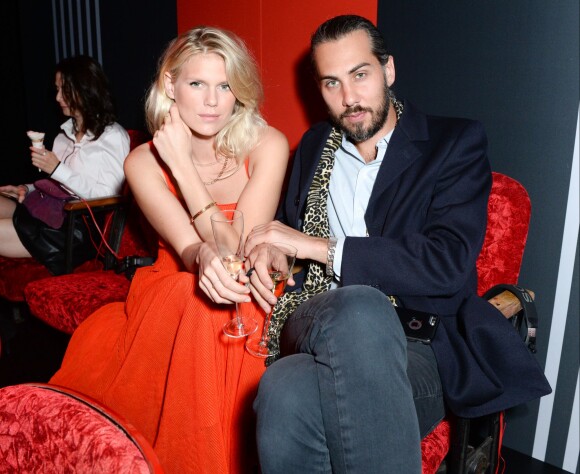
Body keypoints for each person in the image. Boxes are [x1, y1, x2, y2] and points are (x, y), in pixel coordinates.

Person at [240, 15, 551, 473]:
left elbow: (447, 264)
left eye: (360, 75)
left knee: (287, 390)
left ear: (388, 70)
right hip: (317, 320)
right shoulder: (312, 147)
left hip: (417, 344)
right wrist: (274, 251)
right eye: (331, 83)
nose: (348, 98)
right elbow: (288, 235)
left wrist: (320, 247)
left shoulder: (452, 143)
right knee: (359, 307)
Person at [50, 27, 289, 473]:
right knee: (204, 310)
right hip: (172, 287)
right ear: (170, 85)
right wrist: (175, 164)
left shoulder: (267, 145)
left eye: (225, 85)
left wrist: (182, 166)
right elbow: (193, 250)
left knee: (239, 303)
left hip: (251, 281)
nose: (213, 101)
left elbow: (239, 247)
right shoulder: (141, 163)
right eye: (197, 84)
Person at [0, 55, 129, 271]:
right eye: (57, 89)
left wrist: (57, 169)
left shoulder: (113, 136)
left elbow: (110, 196)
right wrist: (27, 188)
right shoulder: (63, 136)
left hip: (75, 229)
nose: (58, 97)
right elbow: (58, 187)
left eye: (64, 90)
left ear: (86, 89)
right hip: (47, 211)